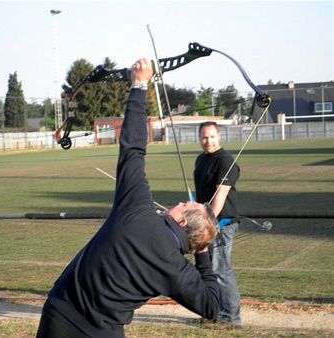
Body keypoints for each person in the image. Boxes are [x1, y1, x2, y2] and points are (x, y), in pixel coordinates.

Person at [36, 59, 220, 338]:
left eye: (185, 204)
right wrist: (203, 253)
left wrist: (138, 85)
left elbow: (132, 149)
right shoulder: (176, 270)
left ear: (182, 219)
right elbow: (213, 306)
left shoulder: (136, 208)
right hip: (103, 332)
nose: (181, 202)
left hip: (60, 314)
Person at [194, 121, 241, 326]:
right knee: (207, 270)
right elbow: (201, 194)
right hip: (206, 222)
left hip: (221, 223)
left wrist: (208, 222)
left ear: (219, 136)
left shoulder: (225, 160)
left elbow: (220, 196)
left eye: (212, 136)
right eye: (204, 137)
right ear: (199, 138)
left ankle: (231, 318)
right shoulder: (201, 159)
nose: (208, 141)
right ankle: (213, 313)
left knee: (221, 269)